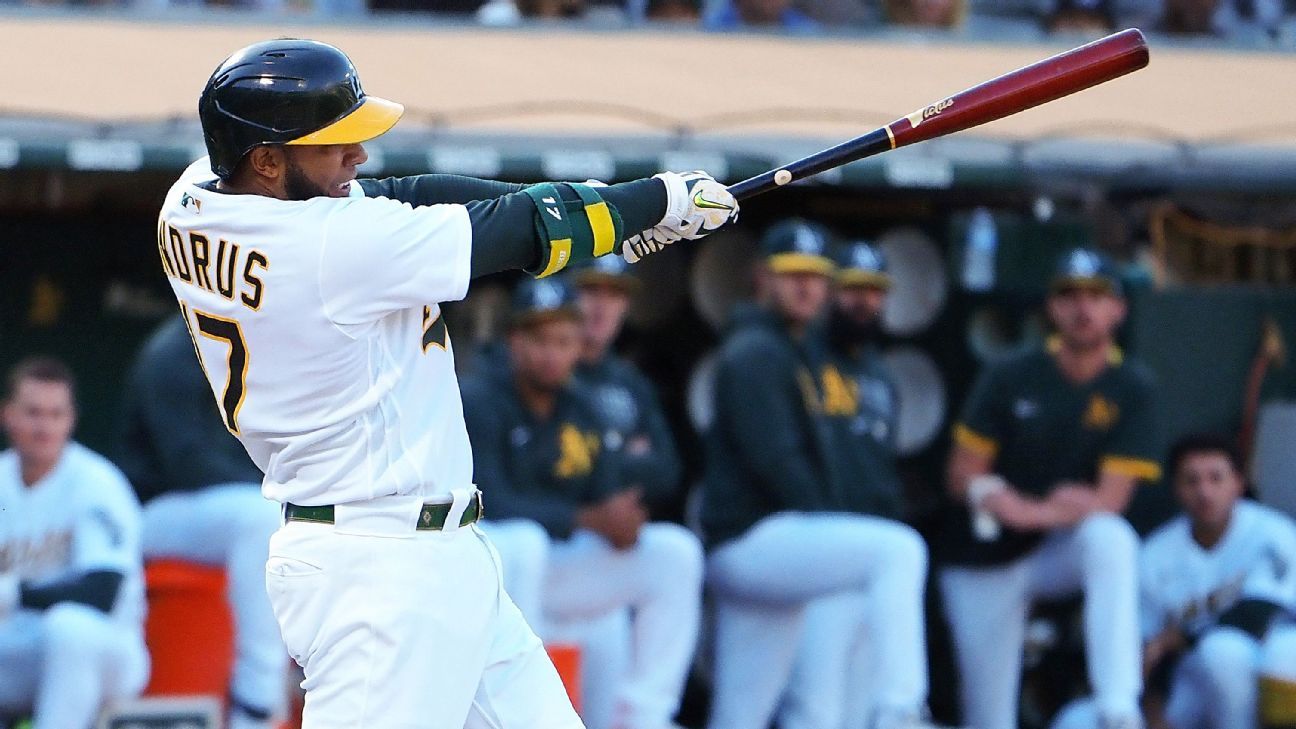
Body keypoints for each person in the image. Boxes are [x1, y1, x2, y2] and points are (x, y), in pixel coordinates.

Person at [157, 37, 736, 727]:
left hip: (439, 555)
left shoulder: (192, 197)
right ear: (267, 159)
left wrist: (603, 213)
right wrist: (655, 200)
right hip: (377, 571)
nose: (358, 156)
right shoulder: (330, 247)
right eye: (333, 143)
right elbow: (518, 231)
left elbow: (409, 195)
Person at [701, 221, 935, 729]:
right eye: (791, 276)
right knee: (898, 550)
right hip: (755, 536)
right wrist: (835, 528)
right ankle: (901, 708)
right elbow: (780, 465)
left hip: (767, 549)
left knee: (740, 716)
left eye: (814, 276)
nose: (805, 287)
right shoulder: (757, 349)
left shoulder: (797, 348)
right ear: (763, 279)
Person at [463, 278, 704, 729]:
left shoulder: (582, 404)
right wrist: (586, 517)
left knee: (675, 552)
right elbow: (485, 499)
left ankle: (644, 717)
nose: (553, 353)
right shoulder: (480, 398)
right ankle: (515, 713)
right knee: (524, 540)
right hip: (494, 574)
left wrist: (620, 516)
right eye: (541, 340)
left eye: (564, 341)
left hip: (561, 569)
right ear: (514, 341)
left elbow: (621, 481)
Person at [940, 247, 1161, 729]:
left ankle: (1118, 706)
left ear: (1118, 309)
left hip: (1056, 547)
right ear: (1051, 307)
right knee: (988, 715)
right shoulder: (1010, 373)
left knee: (1111, 538)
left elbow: (1110, 501)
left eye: (1096, 296)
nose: (1083, 309)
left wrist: (1028, 509)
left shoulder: (1132, 385)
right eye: (1069, 296)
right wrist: (1002, 499)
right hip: (987, 553)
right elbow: (961, 474)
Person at [1053, 433, 1296, 729]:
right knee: (1077, 720)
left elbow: (1257, 615)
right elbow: (1146, 649)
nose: (1204, 492)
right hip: (1189, 679)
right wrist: (1152, 706)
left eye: (1216, 478)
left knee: (1223, 651)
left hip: (1265, 669)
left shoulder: (1273, 534)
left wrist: (1178, 639)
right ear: (1176, 489)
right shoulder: (1156, 553)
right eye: (1192, 481)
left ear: (1238, 483)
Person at [117, 315, 286, 728]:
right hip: (153, 512)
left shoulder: (240, 345)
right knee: (261, 516)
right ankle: (255, 699)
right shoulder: (172, 353)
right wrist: (279, 486)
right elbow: (187, 464)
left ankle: (299, 678)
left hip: (216, 507)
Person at [0, 357, 149, 728]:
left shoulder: (97, 482)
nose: (44, 426)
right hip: (20, 647)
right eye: (33, 413)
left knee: (69, 626)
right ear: (8, 416)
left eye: (56, 414)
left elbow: (103, 592)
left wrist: (14, 593)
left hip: (106, 649)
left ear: (71, 419)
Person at [571, 255, 683, 517]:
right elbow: (548, 471)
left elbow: (668, 473)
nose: (602, 306)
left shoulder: (632, 382)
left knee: (679, 547)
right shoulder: (547, 374)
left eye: (615, 295)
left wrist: (598, 460)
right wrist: (624, 453)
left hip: (617, 525)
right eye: (591, 290)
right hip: (558, 527)